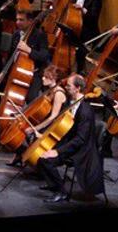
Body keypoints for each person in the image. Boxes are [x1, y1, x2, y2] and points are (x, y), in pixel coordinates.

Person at [37, 74, 105, 202]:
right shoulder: (71, 102)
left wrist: (57, 151)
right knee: (40, 155)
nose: (66, 87)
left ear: (77, 88)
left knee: (46, 161)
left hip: (81, 150)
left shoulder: (85, 110)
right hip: (71, 143)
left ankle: (61, 192)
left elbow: (80, 140)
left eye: (69, 85)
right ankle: (53, 185)